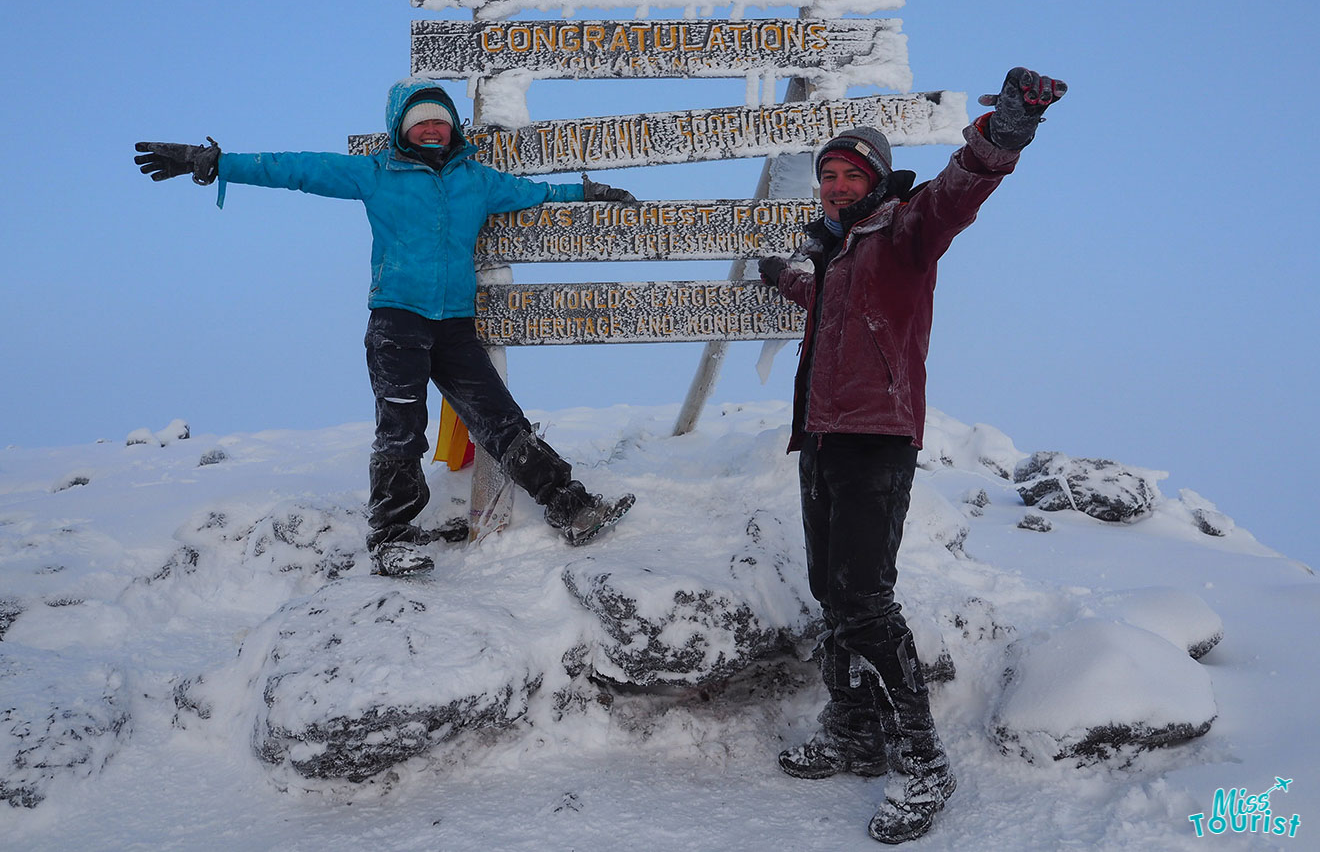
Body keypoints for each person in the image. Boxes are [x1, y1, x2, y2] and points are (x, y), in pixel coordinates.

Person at [134, 77, 635, 577]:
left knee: (503, 422)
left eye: (441, 120)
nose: (433, 130)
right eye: (421, 123)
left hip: (455, 328)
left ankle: (569, 505)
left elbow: (536, 192)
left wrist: (588, 191)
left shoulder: (476, 180)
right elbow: (298, 169)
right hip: (397, 323)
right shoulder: (377, 173)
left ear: (454, 127)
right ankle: (391, 536)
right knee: (401, 431)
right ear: (401, 129)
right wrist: (218, 163)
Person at [758, 67, 1066, 844]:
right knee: (834, 597)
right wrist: (789, 271)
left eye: (849, 174)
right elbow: (821, 299)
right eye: (826, 176)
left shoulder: (903, 231)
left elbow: (958, 192)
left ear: (874, 179)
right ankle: (854, 730)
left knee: (865, 601)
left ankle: (926, 762)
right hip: (822, 440)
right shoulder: (834, 258)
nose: (833, 186)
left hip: (877, 441)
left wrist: (1005, 135)